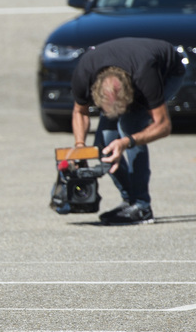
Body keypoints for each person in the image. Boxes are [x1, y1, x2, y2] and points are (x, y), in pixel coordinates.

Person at [71, 37, 187, 225]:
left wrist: (126, 142)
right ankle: (130, 200)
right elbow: (79, 111)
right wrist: (79, 148)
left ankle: (142, 207)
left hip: (169, 70)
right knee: (103, 144)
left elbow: (164, 126)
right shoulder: (84, 72)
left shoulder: (145, 76)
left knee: (129, 125)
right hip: (126, 64)